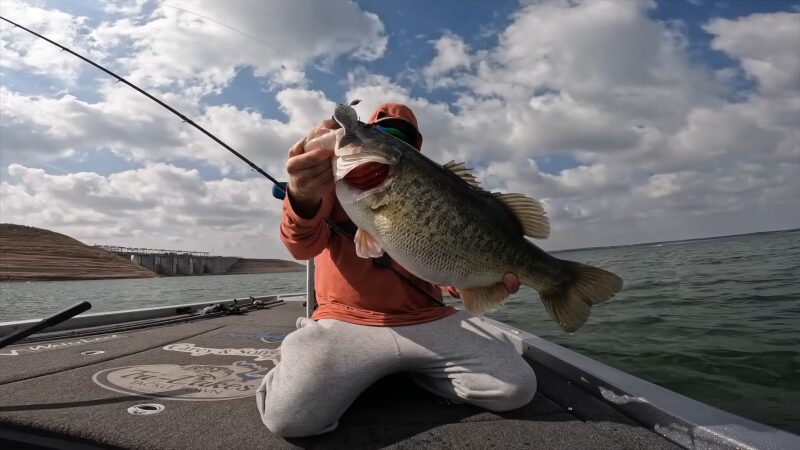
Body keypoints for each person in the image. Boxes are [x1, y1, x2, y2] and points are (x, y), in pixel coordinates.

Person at [256, 103, 537, 437]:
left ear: (411, 149)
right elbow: (302, 247)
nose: (390, 138)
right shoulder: (331, 188)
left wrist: (475, 283)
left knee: (516, 389)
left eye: (401, 138)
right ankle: (307, 361)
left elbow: (446, 273)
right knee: (290, 418)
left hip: (429, 318)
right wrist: (301, 195)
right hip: (347, 321)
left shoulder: (435, 192)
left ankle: (410, 372)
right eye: (382, 131)